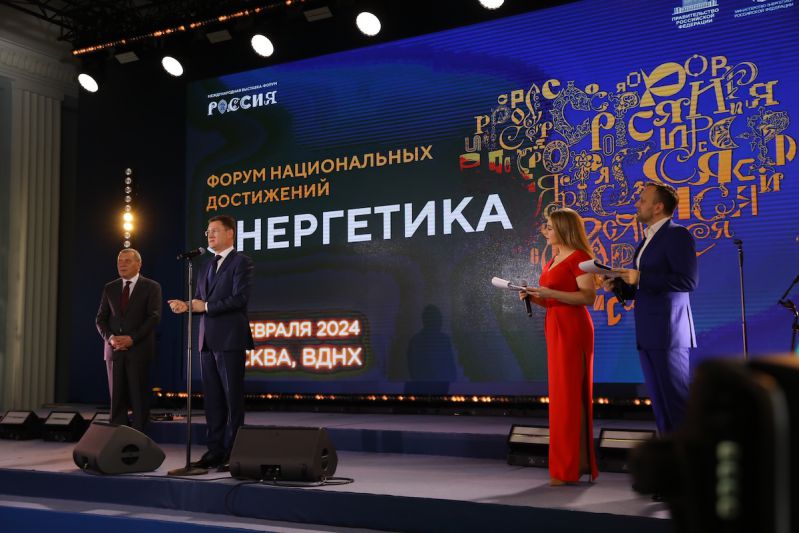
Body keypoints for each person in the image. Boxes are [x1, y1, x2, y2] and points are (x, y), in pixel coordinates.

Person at [606, 182, 697, 436]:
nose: (637, 204)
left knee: (677, 404)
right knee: (661, 407)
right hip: (648, 332)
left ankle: (689, 458)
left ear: (658, 207)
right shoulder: (648, 238)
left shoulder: (677, 234)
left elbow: (688, 281)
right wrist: (618, 286)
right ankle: (670, 457)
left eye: (643, 200)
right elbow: (642, 287)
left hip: (669, 332)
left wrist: (641, 278)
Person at [168, 215, 254, 471]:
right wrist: (186, 305)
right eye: (208, 232)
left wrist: (204, 306)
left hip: (230, 339)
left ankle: (235, 452)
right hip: (207, 340)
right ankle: (215, 451)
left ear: (230, 233)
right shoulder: (206, 265)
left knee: (232, 399)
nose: (210, 235)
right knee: (213, 400)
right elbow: (199, 299)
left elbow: (240, 299)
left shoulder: (241, 262)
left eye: (215, 230)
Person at [520, 207, 599, 485]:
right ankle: (572, 465)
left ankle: (568, 468)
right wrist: (534, 296)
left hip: (573, 329)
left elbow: (588, 297)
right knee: (561, 397)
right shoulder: (554, 258)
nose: (545, 230)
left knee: (568, 397)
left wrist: (549, 292)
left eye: (550, 227)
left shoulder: (580, 257)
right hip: (555, 326)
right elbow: (554, 299)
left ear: (564, 229)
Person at [96, 248, 162, 432]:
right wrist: (111, 339)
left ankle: (139, 439)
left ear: (138, 264)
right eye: (119, 261)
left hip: (138, 350)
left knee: (139, 399)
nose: (122, 264)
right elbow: (100, 319)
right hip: (114, 351)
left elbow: (154, 317)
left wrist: (132, 338)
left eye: (127, 261)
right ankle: (118, 439)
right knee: (116, 400)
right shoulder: (110, 288)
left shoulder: (151, 287)